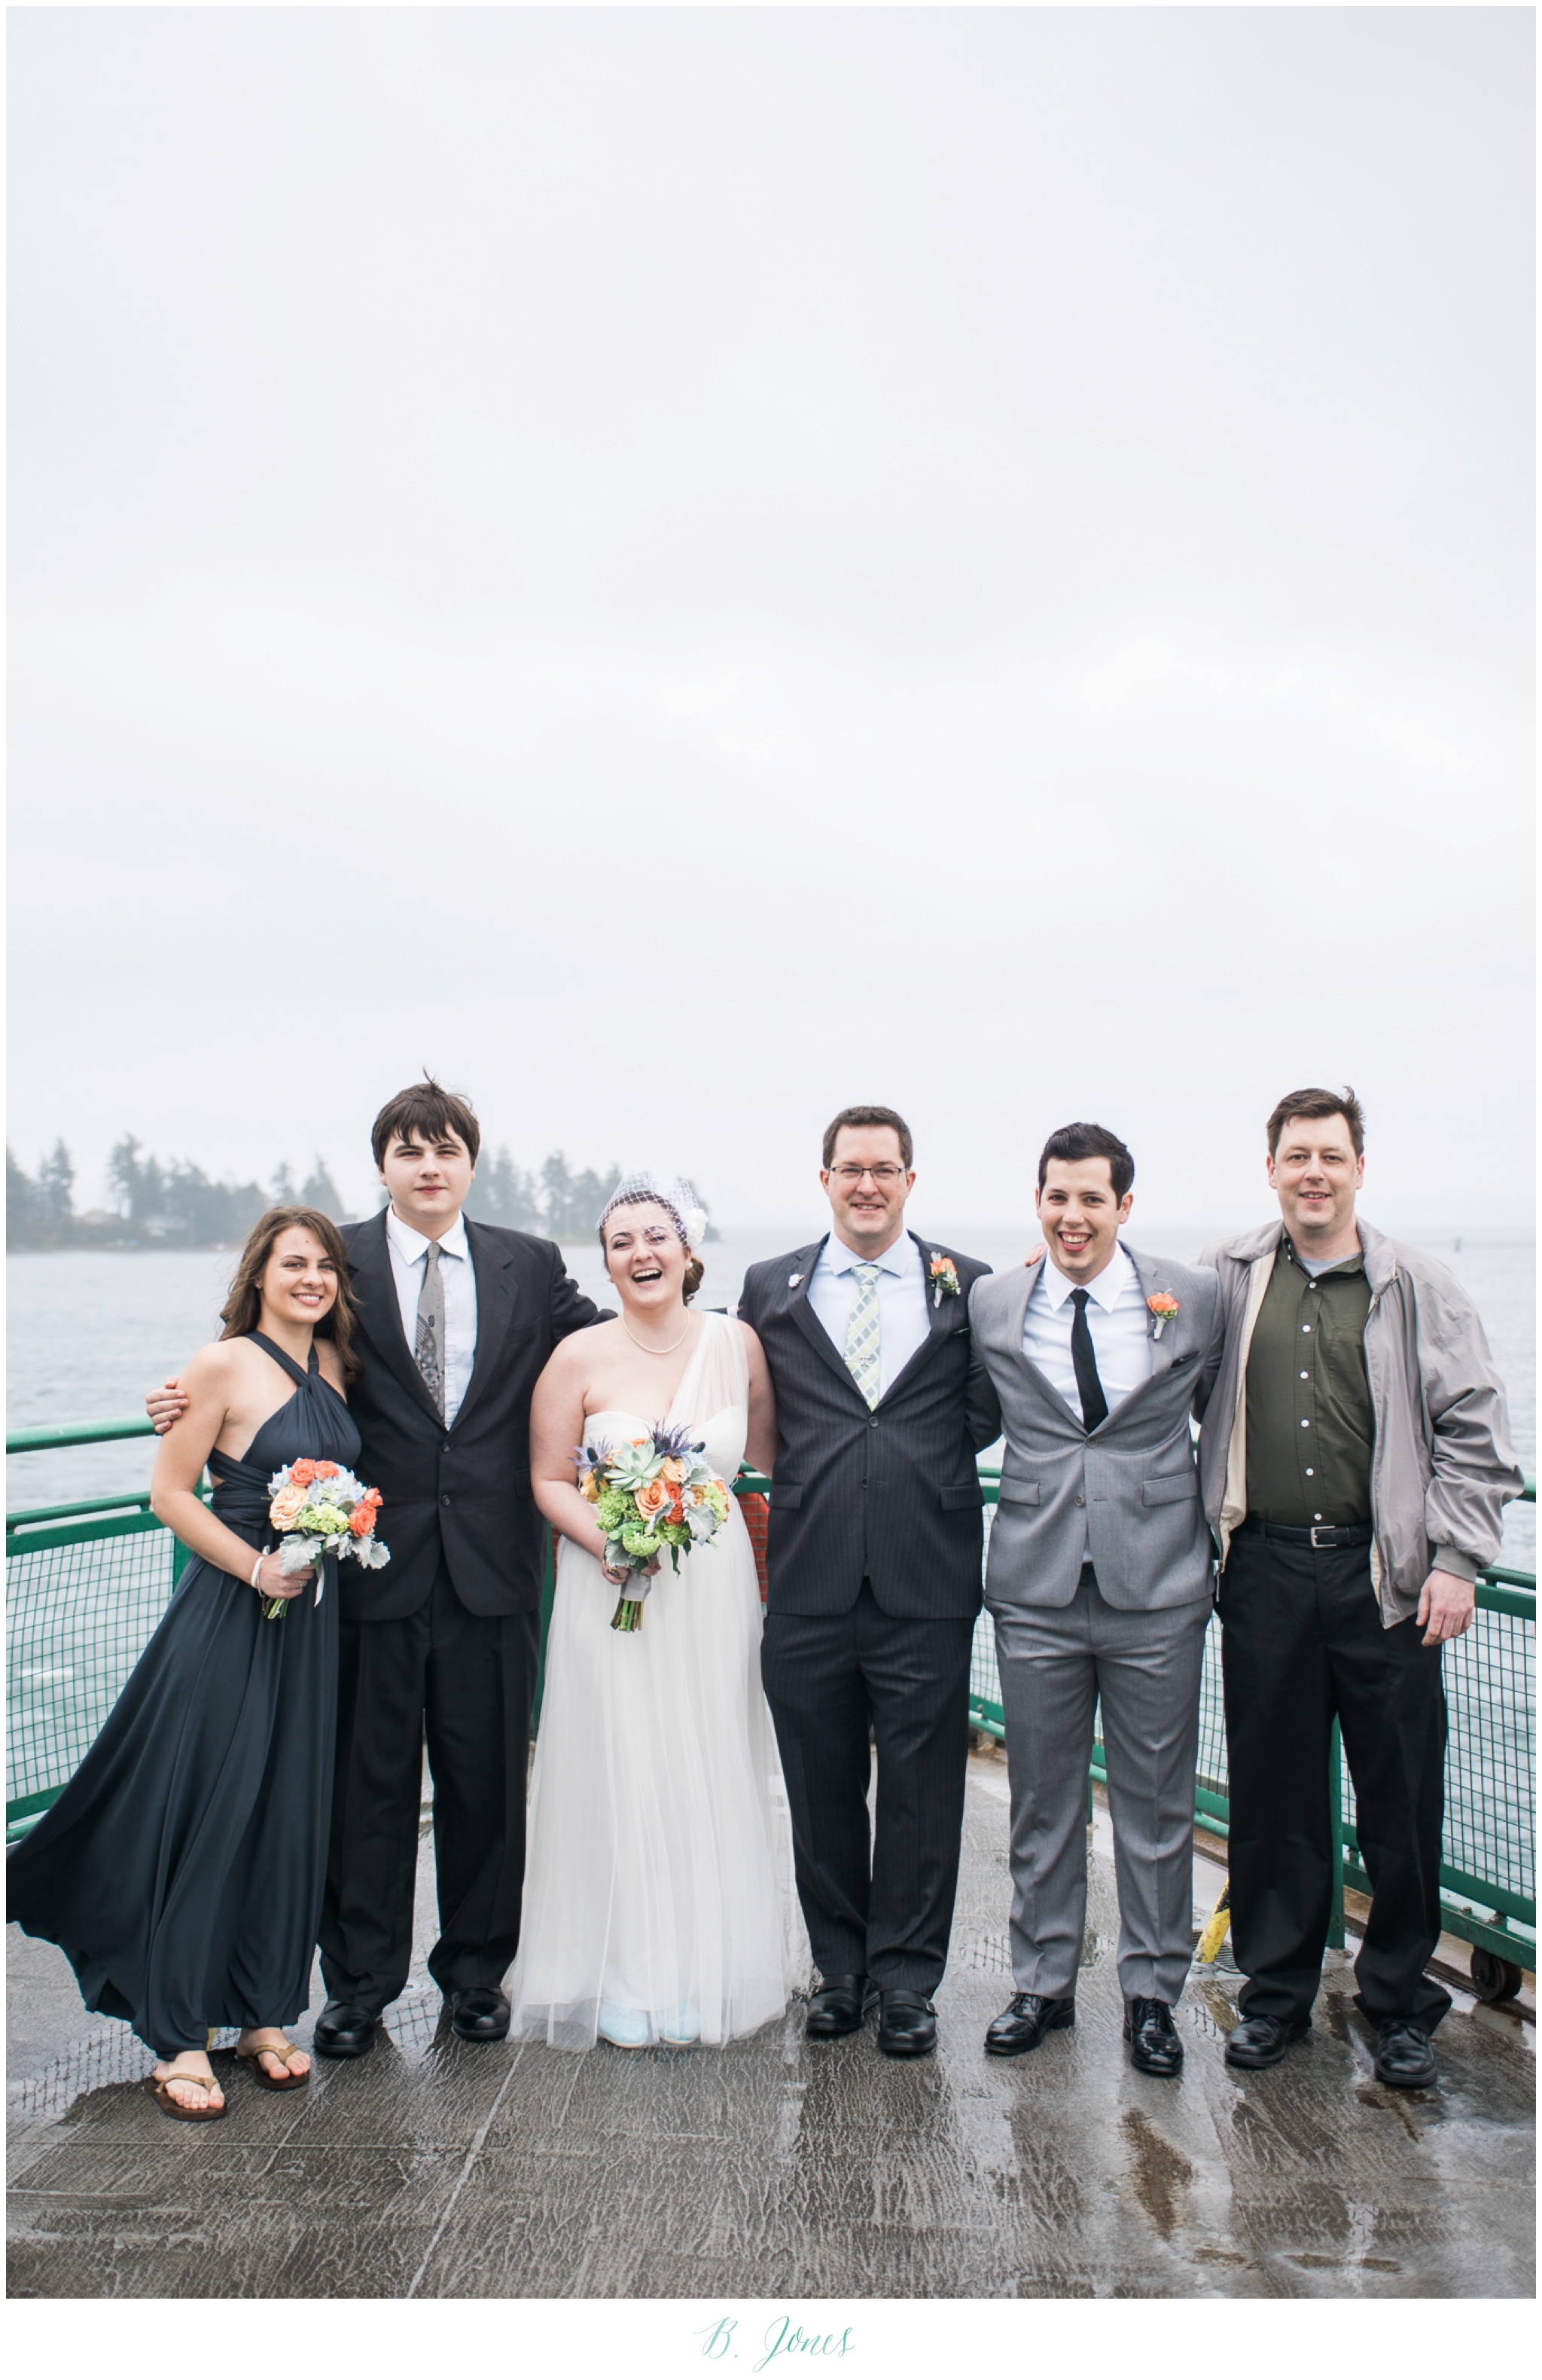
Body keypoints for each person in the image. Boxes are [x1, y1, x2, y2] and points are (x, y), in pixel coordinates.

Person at [147, 1079, 609, 2055]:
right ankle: (357, 1987)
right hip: (364, 1573)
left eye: (445, 1149)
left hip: (494, 1570)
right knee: (369, 1788)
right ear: (385, 1165)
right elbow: (258, 1353)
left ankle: (477, 1977)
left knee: (488, 1788)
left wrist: (712, 1346)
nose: (429, 1166)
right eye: (409, 1150)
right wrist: (179, 1397)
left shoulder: (527, 1263)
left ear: (470, 1163)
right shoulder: (337, 1258)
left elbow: (607, 1342)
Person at [1198, 1087, 1522, 2090]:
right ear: (1271, 1168)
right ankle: (1276, 1999)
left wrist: (1460, 1561)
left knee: (1399, 1797)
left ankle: (1401, 2006)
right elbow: (1141, 1338)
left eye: (1330, 1156)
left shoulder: (1417, 1285)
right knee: (1274, 1799)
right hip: (1262, 1573)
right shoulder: (1227, 1278)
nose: (1313, 1173)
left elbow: (1475, 1429)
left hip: (1385, 1580)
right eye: (1296, 1156)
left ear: (1358, 1169)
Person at [11, 1207, 361, 2119]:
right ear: (257, 1275)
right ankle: (178, 2035)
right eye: (293, 1264)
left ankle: (260, 2010)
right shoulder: (219, 1365)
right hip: (234, 1607)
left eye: (324, 1265)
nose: (311, 1279)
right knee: (218, 1803)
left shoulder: (335, 1363)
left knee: (289, 1810)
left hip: (310, 1622)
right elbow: (169, 1492)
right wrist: (255, 1566)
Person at [510, 1176, 805, 2049]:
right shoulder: (576, 1357)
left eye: (655, 1236)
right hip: (606, 1586)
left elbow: (764, 1460)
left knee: (705, 1757)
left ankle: (703, 1969)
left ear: (686, 1250)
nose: (639, 1253)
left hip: (710, 1588)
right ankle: (620, 1974)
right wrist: (609, 1540)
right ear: (603, 1263)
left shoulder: (736, 1343)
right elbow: (547, 1479)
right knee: (619, 1762)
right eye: (619, 1241)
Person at [965, 1124, 1224, 2076]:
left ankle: (1152, 1993)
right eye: (1056, 1198)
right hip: (1033, 1583)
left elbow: (1225, 1416)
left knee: (1156, 1805)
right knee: (1041, 1798)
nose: (1072, 1216)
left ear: (1124, 1206)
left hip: (1157, 1583)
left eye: (1090, 1199)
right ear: (1037, 1203)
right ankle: (1040, 1982)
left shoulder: (1192, 1297)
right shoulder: (993, 1300)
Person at [737, 1106, 994, 2059]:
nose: (867, 1185)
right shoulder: (770, 1286)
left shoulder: (967, 1284)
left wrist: (906, 1474)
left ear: (909, 1181)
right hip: (805, 1574)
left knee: (925, 1789)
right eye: (849, 1169)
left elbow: (980, 1411)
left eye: (884, 1169)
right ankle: (838, 1970)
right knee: (820, 1785)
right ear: (824, 1180)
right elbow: (756, 1413)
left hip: (925, 1574)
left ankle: (906, 1981)